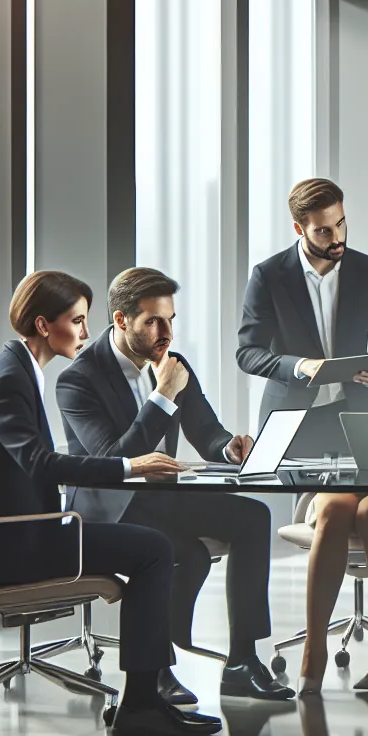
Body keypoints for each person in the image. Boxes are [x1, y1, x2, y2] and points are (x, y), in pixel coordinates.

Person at [0, 270, 216, 736]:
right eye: (76, 320)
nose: (86, 332)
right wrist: (129, 467)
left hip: (17, 533)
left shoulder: (14, 372)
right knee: (154, 551)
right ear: (42, 325)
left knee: (152, 548)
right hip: (13, 546)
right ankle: (140, 705)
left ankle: (147, 698)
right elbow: (39, 464)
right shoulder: (9, 381)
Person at [56, 267, 295, 706]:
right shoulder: (78, 380)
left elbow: (207, 431)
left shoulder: (173, 364)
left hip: (163, 497)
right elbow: (115, 459)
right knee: (187, 554)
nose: (165, 332)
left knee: (252, 517)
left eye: (170, 320)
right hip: (108, 507)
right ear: (121, 320)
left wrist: (231, 448)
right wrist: (162, 396)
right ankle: (157, 668)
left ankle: (243, 661)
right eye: (152, 321)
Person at [236, 177, 368, 694]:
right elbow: (248, 352)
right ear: (300, 228)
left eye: (341, 223)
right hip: (300, 427)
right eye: (324, 229)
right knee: (334, 508)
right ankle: (316, 646)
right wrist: (297, 365)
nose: (335, 235)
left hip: (360, 418)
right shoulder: (269, 276)